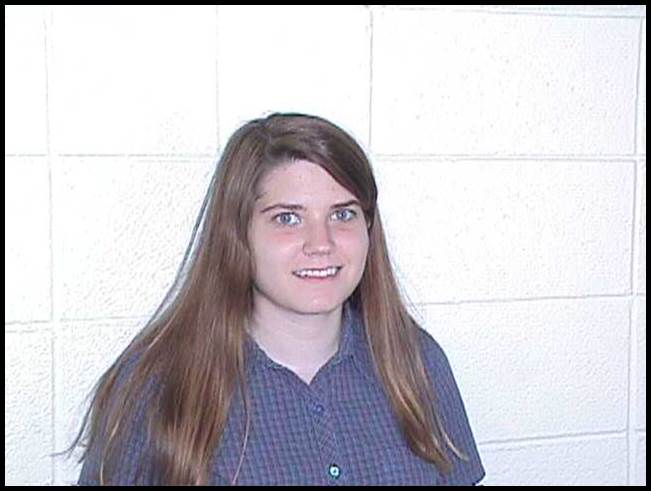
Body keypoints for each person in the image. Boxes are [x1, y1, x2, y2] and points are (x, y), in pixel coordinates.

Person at [69, 112, 485, 485]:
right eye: (288, 218)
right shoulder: (158, 385)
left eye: (342, 214)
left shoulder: (418, 364)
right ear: (238, 234)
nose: (321, 243)